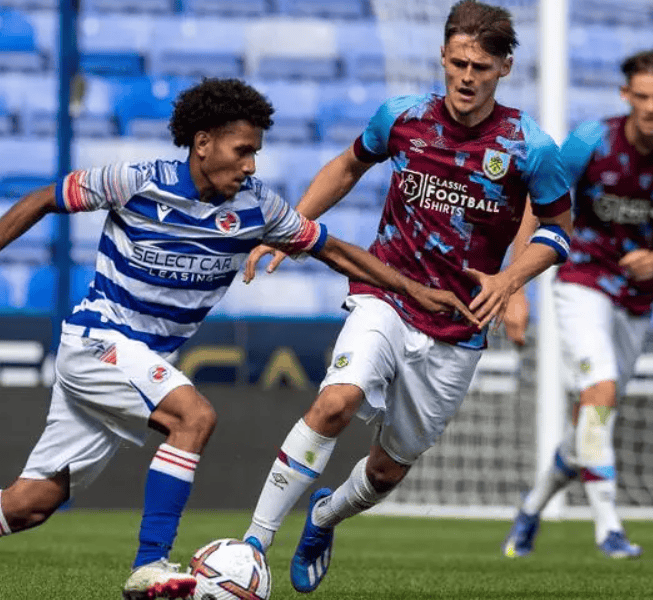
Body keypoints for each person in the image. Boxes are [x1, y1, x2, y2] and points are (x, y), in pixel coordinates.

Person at [0, 77, 476, 600]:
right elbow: (41, 200)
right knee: (193, 417)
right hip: (97, 341)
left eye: (256, 153)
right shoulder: (137, 180)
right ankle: (150, 564)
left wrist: (414, 291)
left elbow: (335, 250)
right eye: (242, 151)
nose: (250, 165)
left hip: (138, 361)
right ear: (203, 143)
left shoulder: (257, 208)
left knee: (31, 502)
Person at [239, 0, 573, 593]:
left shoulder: (530, 148)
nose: (466, 77)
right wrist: (292, 229)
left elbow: (558, 231)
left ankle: (324, 517)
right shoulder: (402, 117)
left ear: (504, 68)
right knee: (335, 403)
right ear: (443, 57)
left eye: (481, 67)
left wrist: (510, 280)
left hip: (458, 322)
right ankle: (253, 547)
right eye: (458, 63)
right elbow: (348, 166)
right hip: (386, 291)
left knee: (389, 469)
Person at [502, 49, 653, 560]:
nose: (651, 107)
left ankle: (531, 509)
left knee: (591, 416)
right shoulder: (590, 140)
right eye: (642, 97)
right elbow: (538, 203)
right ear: (626, 95)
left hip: (639, 296)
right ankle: (609, 529)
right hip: (582, 277)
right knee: (600, 388)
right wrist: (515, 287)